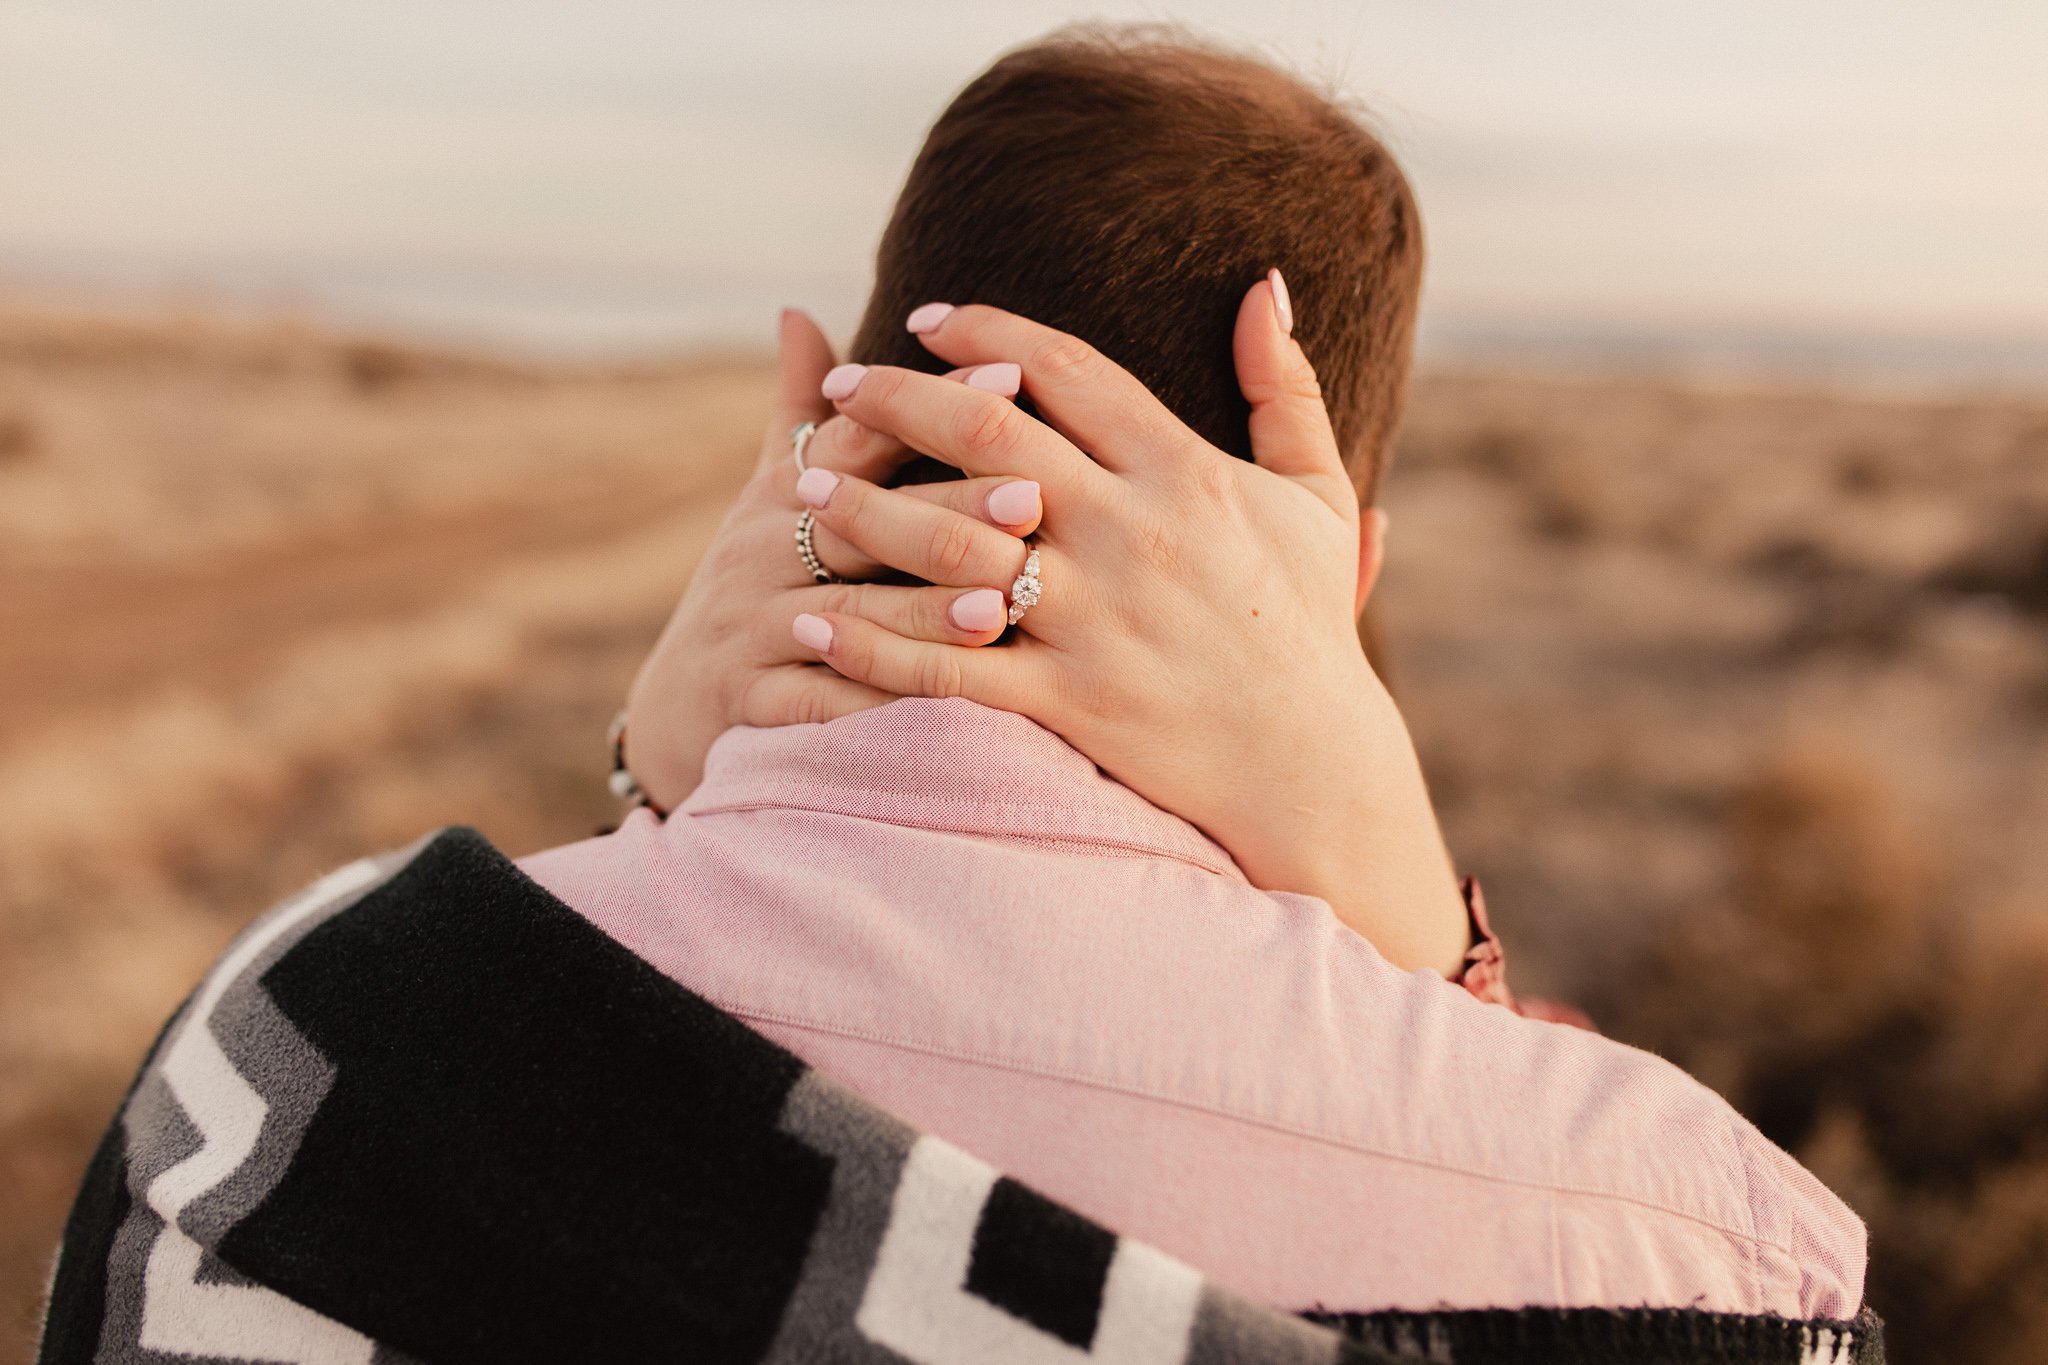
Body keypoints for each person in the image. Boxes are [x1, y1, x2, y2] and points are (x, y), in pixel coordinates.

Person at [39, 26, 1880, 1365]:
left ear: (816, 439)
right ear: (1342, 578)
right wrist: (1409, 920)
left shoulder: (296, 1029)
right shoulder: (1709, 1257)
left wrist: (655, 788)